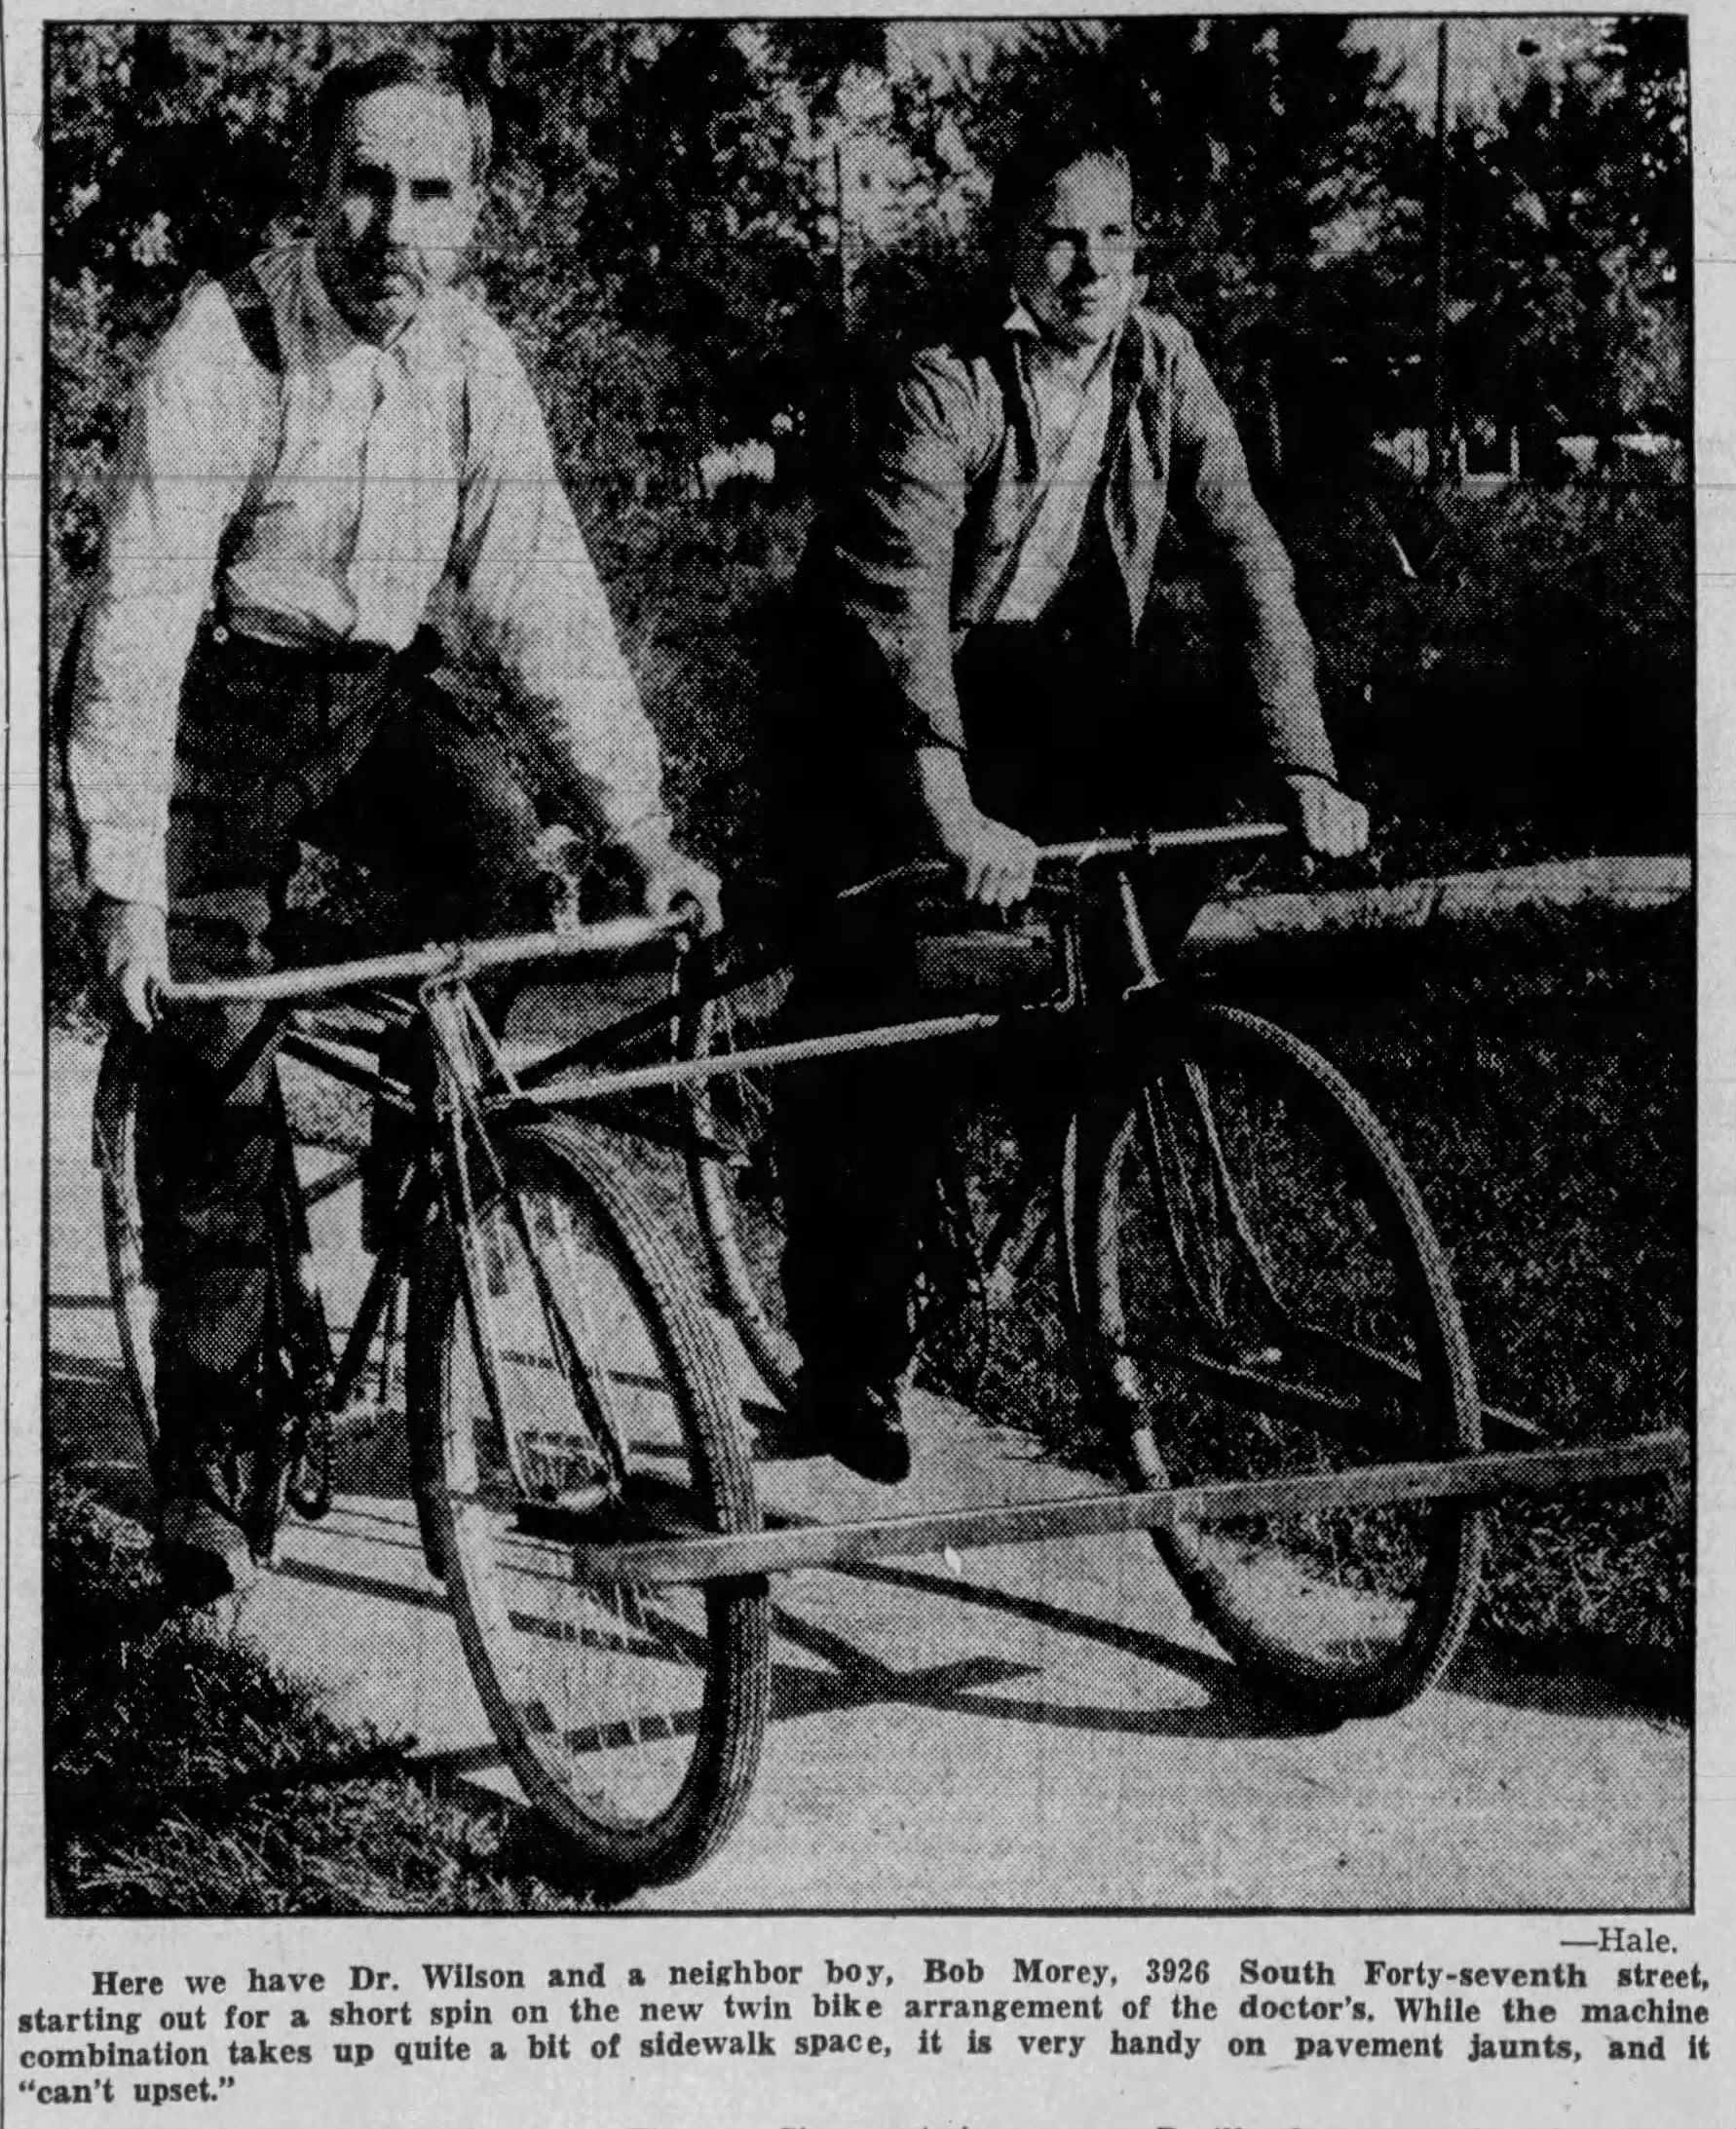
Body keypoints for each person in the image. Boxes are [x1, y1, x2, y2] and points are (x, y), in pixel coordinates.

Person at [62, 47, 721, 1600]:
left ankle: (443, 1212)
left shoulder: (476, 363)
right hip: (224, 701)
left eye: (430, 191)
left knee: (512, 885)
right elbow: (138, 621)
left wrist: (637, 825)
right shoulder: (220, 346)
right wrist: (126, 892)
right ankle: (222, 1449)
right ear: (315, 187)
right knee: (213, 1053)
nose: (390, 223)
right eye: (363, 181)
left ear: (474, 209)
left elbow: (544, 600)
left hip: (379, 697)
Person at [764, 113, 1369, 1485]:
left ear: (1138, 248)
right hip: (867, 707)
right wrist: (950, 812)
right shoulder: (943, 380)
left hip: (1030, 685)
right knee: (881, 1024)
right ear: (1004, 249)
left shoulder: (1162, 359)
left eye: (1111, 235)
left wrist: (1307, 765)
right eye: (1055, 235)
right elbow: (899, 613)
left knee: (1170, 793)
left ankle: (1065, 1055)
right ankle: (849, 1353)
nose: (1086, 265)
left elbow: (1247, 559)